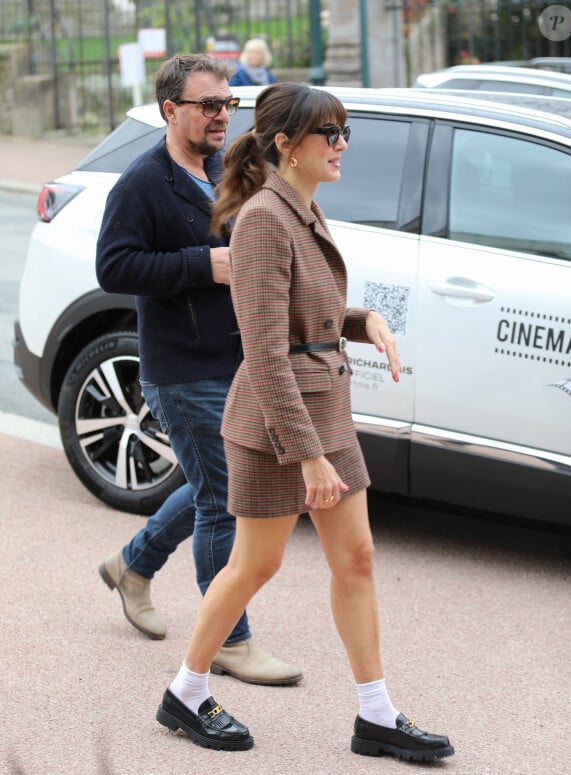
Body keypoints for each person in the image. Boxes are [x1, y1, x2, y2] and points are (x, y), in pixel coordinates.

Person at [155, 82, 455, 761]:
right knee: (253, 565)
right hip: (276, 426)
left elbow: (305, 316)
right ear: (287, 144)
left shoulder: (303, 209)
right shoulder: (264, 217)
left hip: (326, 411)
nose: (342, 144)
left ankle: (376, 714)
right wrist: (308, 455)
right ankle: (186, 690)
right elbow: (263, 349)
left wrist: (361, 320)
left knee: (357, 557)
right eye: (330, 132)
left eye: (344, 130)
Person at [95, 53, 301, 687]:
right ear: (170, 110)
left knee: (217, 484)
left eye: (228, 103)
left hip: (236, 359)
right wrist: (198, 265)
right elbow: (113, 268)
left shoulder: (224, 166)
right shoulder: (141, 182)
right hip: (181, 370)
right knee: (226, 500)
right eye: (209, 105)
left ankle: (134, 563)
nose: (221, 115)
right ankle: (230, 642)